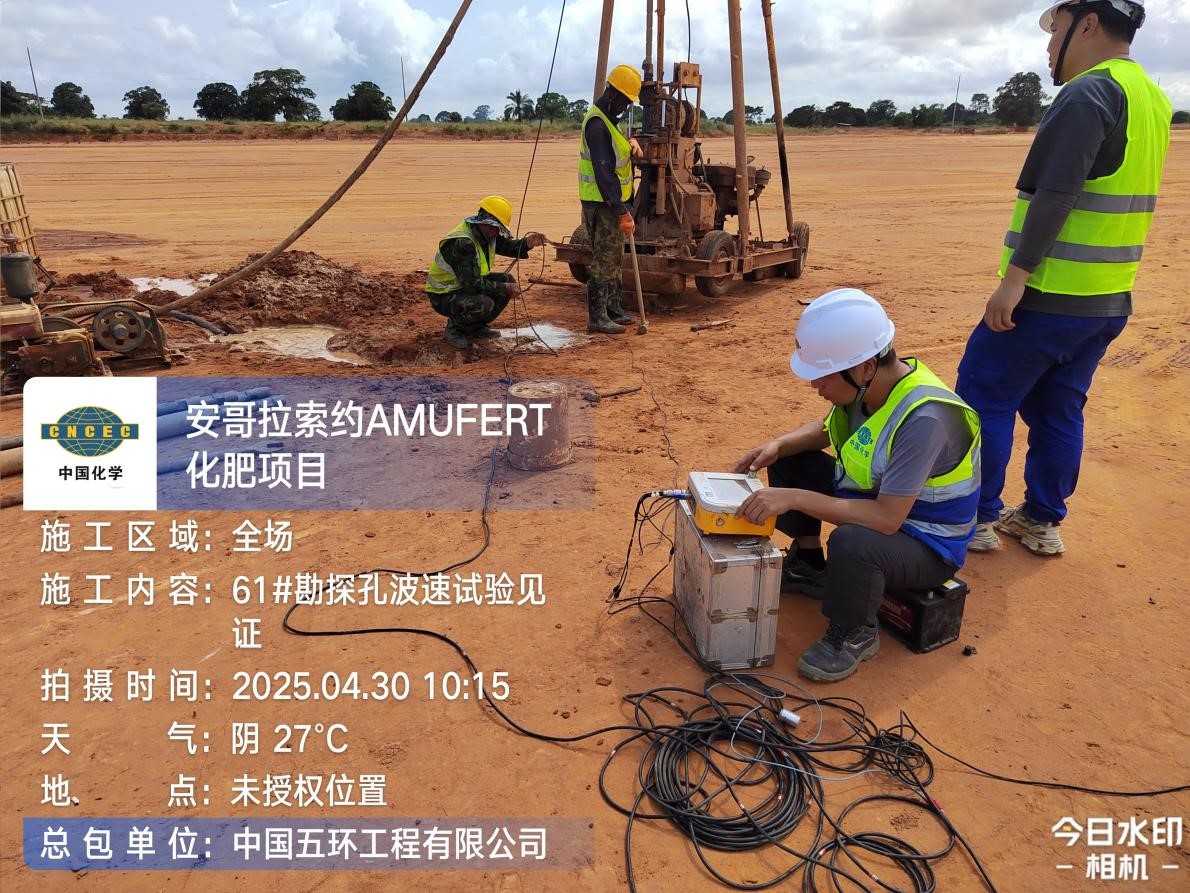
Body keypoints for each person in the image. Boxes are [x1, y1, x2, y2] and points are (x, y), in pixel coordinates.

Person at [956, 0, 1170, 556]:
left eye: (1055, 33)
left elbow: (1056, 194)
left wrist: (1015, 280)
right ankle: (1041, 520)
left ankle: (976, 518)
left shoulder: (1088, 92)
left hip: (1048, 295)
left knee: (983, 398)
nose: (1050, 48)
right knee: (1059, 409)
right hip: (1106, 299)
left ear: (1088, 25)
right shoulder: (1152, 97)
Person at [734, 289, 981, 682]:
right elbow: (827, 429)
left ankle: (855, 631)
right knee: (791, 458)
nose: (815, 385)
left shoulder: (926, 419)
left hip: (927, 544)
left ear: (865, 367)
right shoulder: (867, 387)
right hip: (882, 507)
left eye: (822, 376)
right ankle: (810, 566)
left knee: (852, 543)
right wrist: (778, 445)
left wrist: (793, 498)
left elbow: (886, 520)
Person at [424, 195, 546, 349]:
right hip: (444, 295)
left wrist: (527, 243)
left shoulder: (485, 233)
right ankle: (455, 329)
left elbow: (506, 246)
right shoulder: (463, 243)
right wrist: (504, 288)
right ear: (486, 223)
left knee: (507, 279)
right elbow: (472, 285)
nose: (497, 233)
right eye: (496, 228)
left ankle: (476, 327)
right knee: (484, 303)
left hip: (461, 287)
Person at [579, 63, 645, 334]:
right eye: (625, 101)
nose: (626, 107)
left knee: (614, 259)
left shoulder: (608, 121)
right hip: (603, 204)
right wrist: (621, 211)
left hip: (611, 203)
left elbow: (616, 155)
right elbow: (604, 173)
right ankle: (597, 317)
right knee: (604, 260)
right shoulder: (597, 124)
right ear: (613, 93)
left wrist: (631, 144)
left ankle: (613, 310)